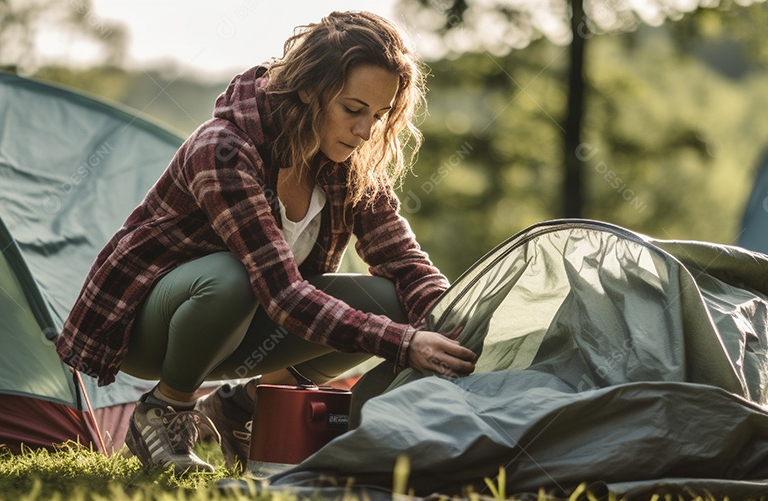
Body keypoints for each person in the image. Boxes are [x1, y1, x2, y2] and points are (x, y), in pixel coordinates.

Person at [55, 10, 476, 473]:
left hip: (250, 328)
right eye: (353, 110)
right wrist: (404, 343)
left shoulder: (348, 164)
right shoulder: (223, 149)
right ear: (308, 90)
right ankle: (166, 408)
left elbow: (406, 263)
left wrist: (459, 327)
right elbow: (281, 292)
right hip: (148, 329)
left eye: (379, 115)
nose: (365, 131)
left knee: (389, 301)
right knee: (232, 275)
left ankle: (245, 403)